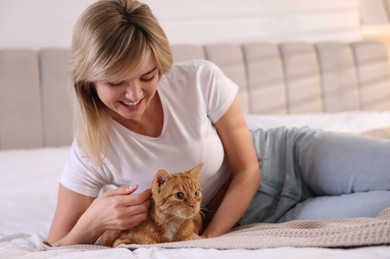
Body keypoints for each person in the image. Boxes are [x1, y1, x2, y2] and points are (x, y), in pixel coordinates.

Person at [48, 0, 390, 246]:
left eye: (147, 76)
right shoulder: (92, 149)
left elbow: (247, 170)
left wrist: (208, 239)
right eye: (115, 83)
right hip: (267, 216)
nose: (134, 94)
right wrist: (93, 220)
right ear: (88, 81)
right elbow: (56, 243)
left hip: (292, 158)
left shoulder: (198, 79)